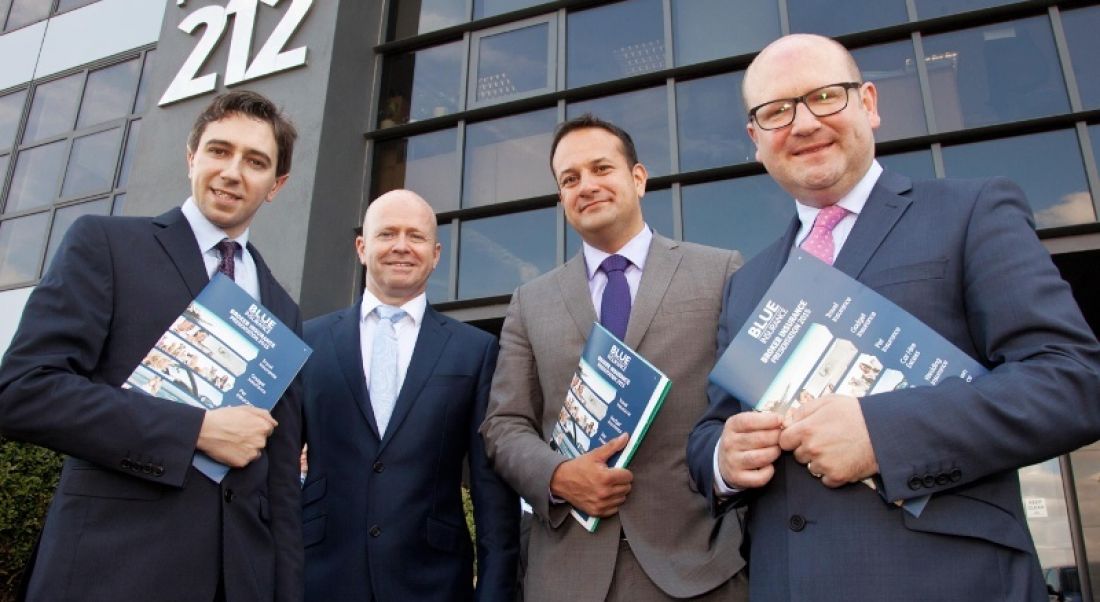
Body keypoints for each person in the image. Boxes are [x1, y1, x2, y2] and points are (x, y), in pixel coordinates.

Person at [686, 33, 1100, 601]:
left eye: (825, 96)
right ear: (756, 139)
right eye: (776, 111)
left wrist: (882, 435)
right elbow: (712, 427)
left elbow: (1071, 380)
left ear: (870, 104)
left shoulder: (971, 213)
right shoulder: (747, 284)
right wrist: (724, 460)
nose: (804, 123)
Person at [0, 90, 304, 602]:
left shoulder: (283, 308)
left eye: (255, 161)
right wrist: (194, 431)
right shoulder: (107, 246)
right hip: (113, 570)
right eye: (219, 151)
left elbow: (279, 485)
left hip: (238, 580)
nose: (233, 171)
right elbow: (23, 391)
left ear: (276, 185)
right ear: (192, 158)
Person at [481, 114, 747, 601]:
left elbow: (746, 405)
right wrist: (557, 476)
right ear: (561, 199)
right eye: (570, 179)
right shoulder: (530, 301)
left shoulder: (719, 272)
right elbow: (505, 426)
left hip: (699, 565)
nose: (587, 186)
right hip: (567, 574)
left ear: (638, 178)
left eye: (602, 168)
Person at [300, 189, 519, 602]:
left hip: (434, 581)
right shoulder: (307, 340)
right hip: (320, 578)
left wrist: (494, 591)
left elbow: (492, 491)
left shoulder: (474, 351)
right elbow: (275, 471)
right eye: (387, 234)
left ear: (435, 254)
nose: (402, 246)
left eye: (415, 237)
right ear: (362, 248)